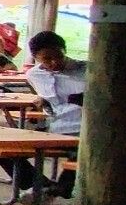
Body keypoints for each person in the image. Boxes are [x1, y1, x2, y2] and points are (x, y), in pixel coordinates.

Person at [10, 31, 85, 195]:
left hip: (83, 130)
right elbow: (48, 104)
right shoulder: (34, 75)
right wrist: (42, 103)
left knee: (85, 151)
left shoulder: (87, 70)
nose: (54, 62)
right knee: (2, 146)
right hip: (54, 129)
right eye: (46, 59)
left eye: (58, 56)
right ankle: (38, 183)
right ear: (36, 58)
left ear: (64, 50)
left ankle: (62, 188)